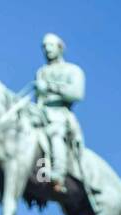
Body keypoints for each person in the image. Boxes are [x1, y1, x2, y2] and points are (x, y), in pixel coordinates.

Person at [33, 33, 85, 194]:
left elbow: (76, 94)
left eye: (50, 45)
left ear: (60, 48)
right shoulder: (41, 72)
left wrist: (50, 87)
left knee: (55, 132)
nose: (47, 49)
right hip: (42, 112)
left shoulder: (72, 70)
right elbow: (39, 99)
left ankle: (58, 175)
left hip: (60, 114)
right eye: (44, 46)